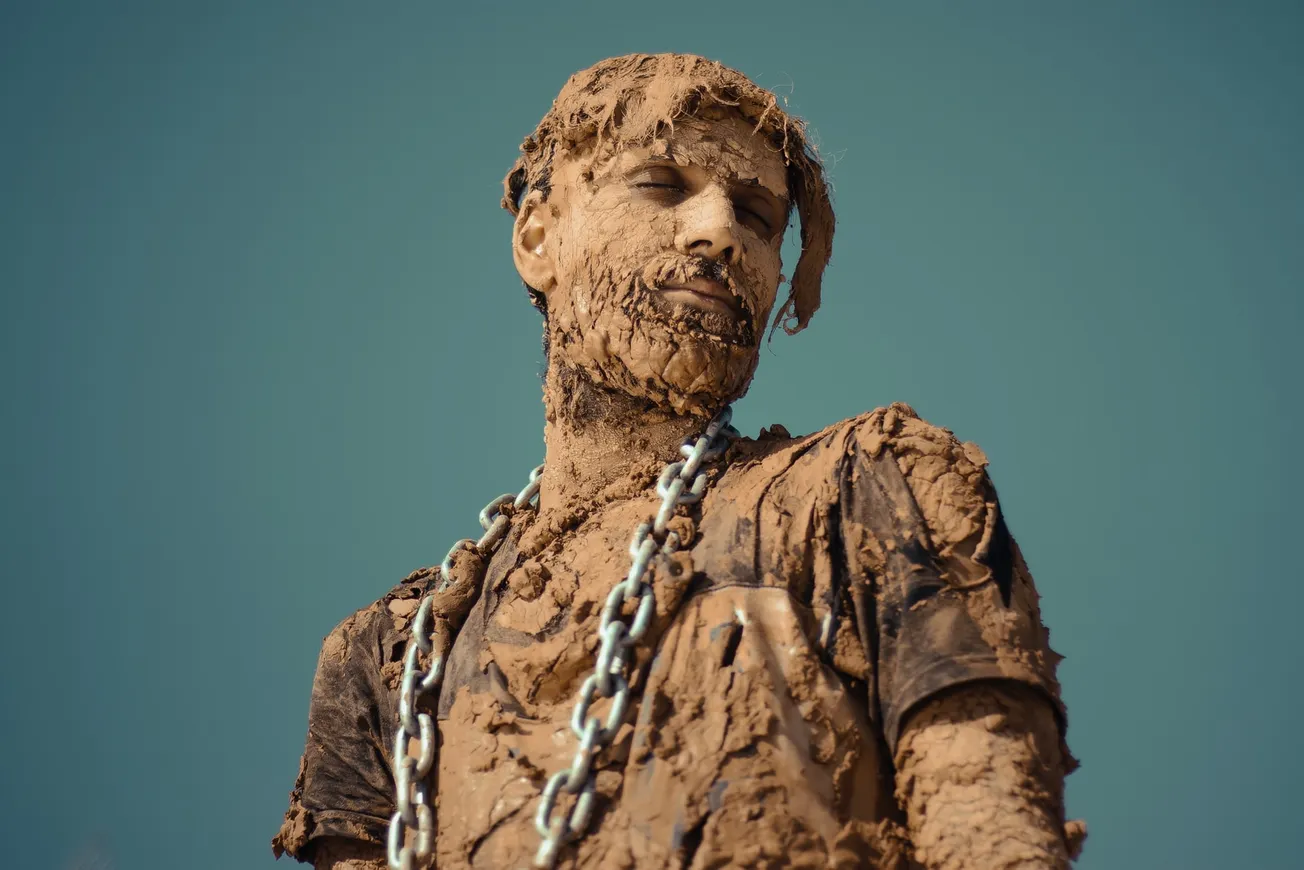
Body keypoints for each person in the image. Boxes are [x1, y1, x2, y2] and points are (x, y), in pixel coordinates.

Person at [273, 53, 1085, 870]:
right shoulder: (391, 654)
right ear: (537, 238)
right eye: (662, 184)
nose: (720, 230)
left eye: (760, 217)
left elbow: (995, 836)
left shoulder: (868, 489)